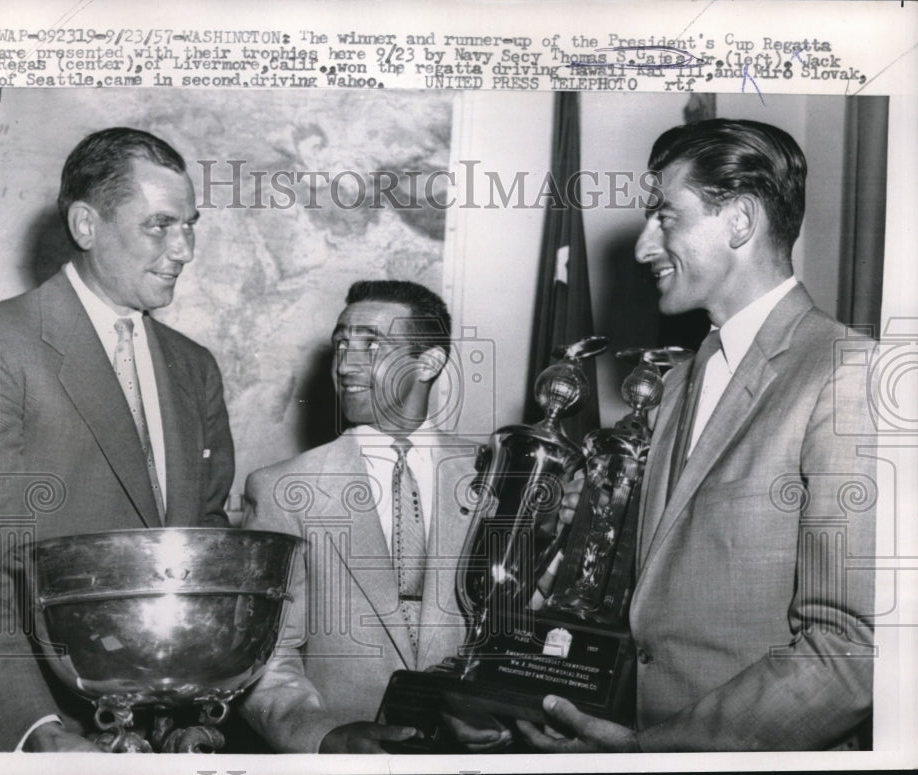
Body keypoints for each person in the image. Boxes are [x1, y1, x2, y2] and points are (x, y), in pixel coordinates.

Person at [520, 119, 877, 751]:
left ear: (739, 220)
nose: (641, 248)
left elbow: (850, 649)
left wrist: (651, 755)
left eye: (665, 216)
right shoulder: (679, 383)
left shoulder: (849, 372)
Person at [0, 127, 235, 752]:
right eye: (160, 225)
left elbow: (209, 549)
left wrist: (191, 718)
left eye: (190, 225)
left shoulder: (195, 367)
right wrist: (35, 733)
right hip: (56, 730)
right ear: (85, 224)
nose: (184, 248)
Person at [239, 280, 510, 753]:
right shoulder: (281, 489)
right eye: (341, 343)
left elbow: (523, 627)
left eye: (371, 343)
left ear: (429, 362)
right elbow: (265, 653)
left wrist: (510, 718)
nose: (346, 363)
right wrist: (321, 736)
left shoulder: (498, 478)